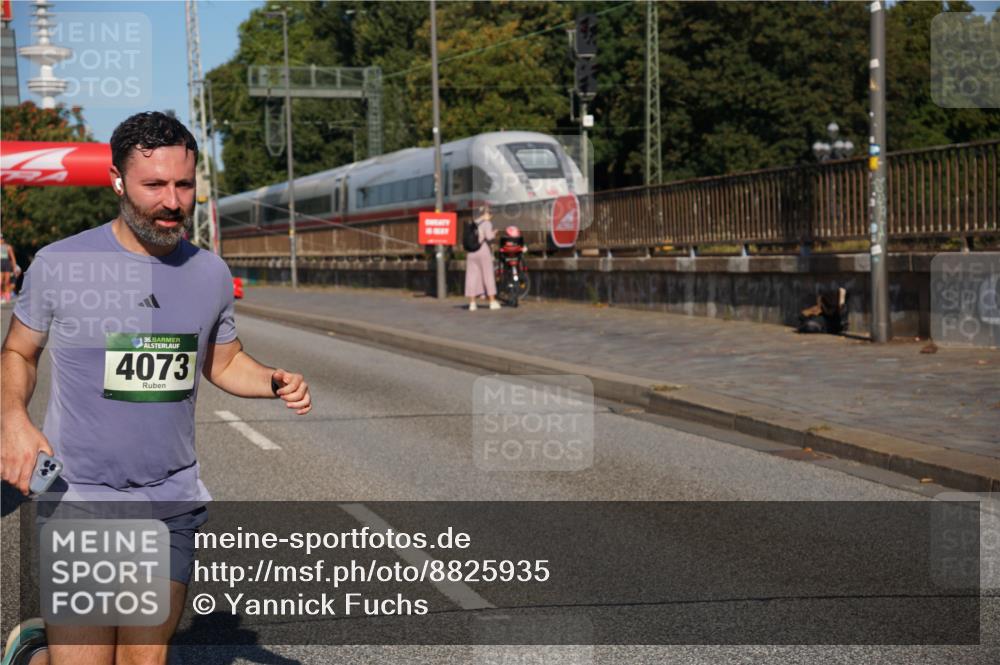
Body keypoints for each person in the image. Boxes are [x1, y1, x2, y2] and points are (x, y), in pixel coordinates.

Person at [0, 111, 312, 665]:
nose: (173, 201)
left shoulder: (210, 272)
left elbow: (223, 359)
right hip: (80, 499)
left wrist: (271, 381)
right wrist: (13, 420)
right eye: (154, 186)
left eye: (184, 184)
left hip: (170, 502)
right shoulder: (61, 263)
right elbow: (19, 352)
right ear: (117, 182)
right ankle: (33, 654)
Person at [464, 205, 500, 311]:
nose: (491, 216)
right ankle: (492, 301)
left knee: (471, 277)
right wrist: (494, 233)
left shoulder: (472, 223)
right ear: (486, 214)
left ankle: (472, 303)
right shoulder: (486, 223)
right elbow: (488, 237)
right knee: (488, 275)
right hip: (482, 250)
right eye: (490, 214)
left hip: (471, 252)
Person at [0, 233, 18, 302]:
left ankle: (7, 295)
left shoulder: (8, 247)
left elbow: (13, 258)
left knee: (7, 281)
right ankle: (1, 295)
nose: (1, 240)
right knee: (0, 282)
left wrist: (14, 267)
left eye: (1, 238)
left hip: (6, 264)